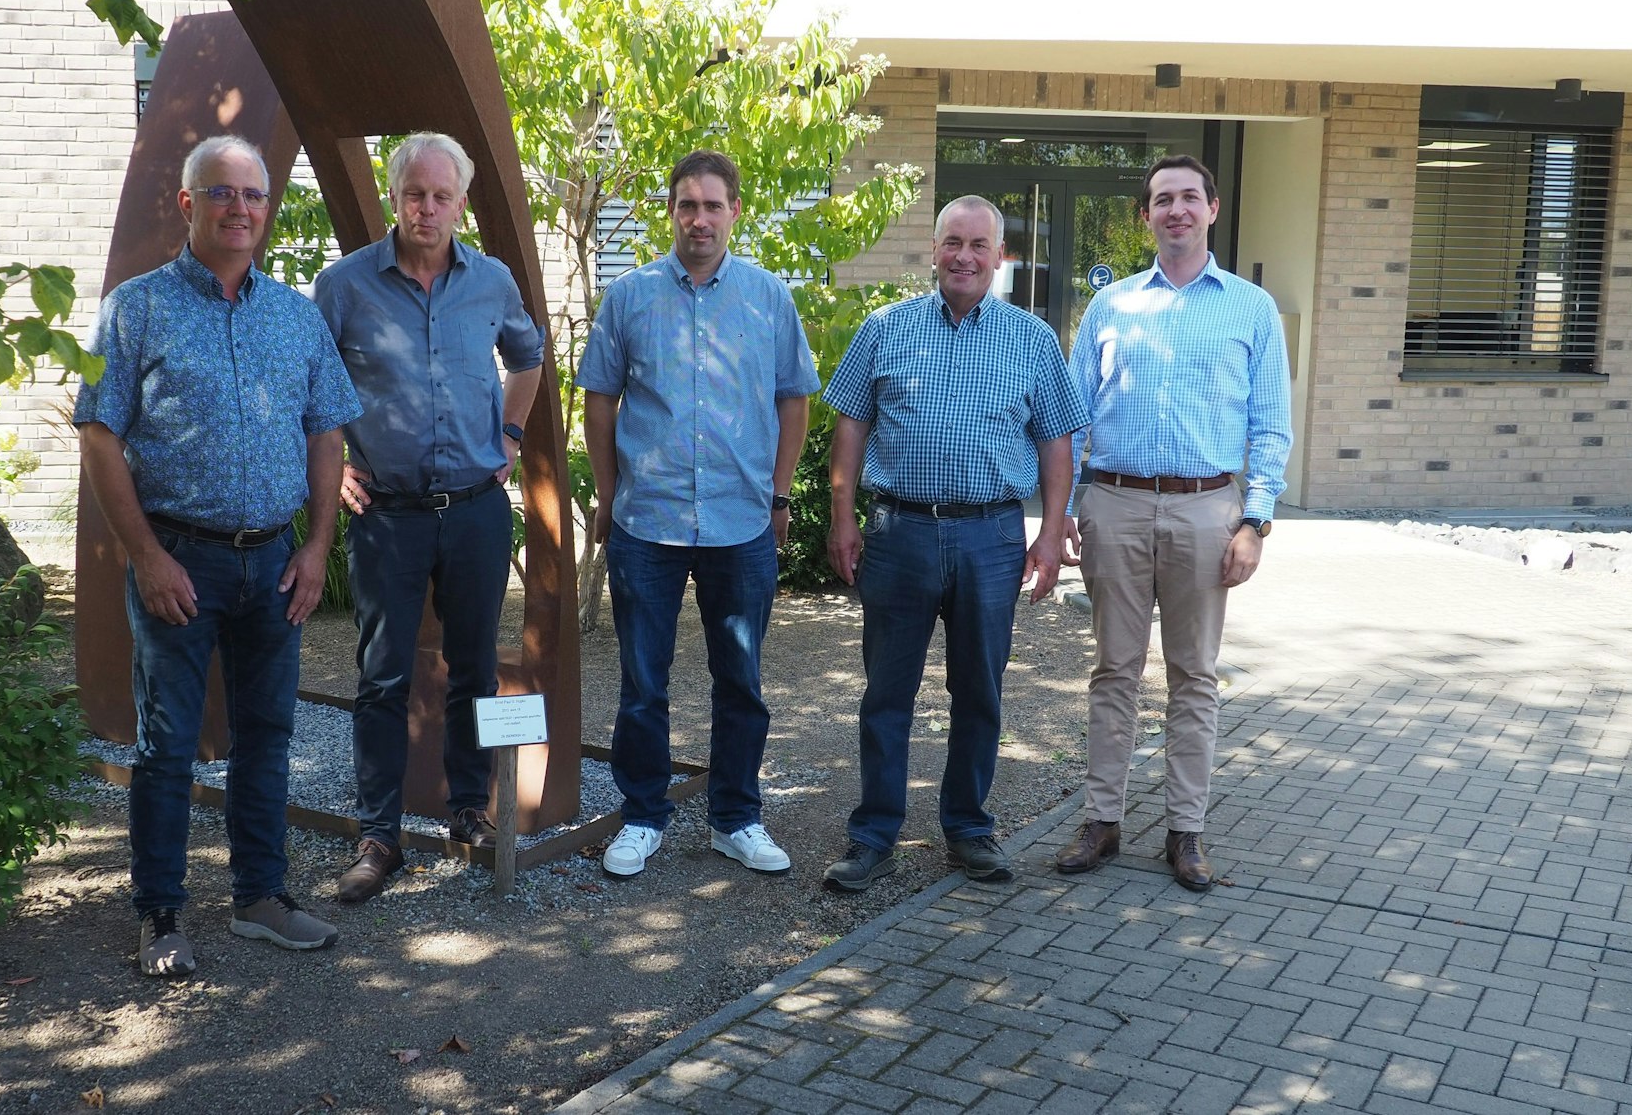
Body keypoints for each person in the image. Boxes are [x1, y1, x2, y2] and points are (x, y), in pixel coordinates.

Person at [77, 134, 361, 976]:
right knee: (168, 743)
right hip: (180, 561)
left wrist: (317, 546)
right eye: (224, 193)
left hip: (275, 561)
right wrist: (145, 556)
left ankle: (260, 898)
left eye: (255, 195)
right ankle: (160, 912)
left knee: (269, 734)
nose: (241, 208)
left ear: (267, 207)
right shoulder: (137, 309)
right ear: (187, 203)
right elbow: (100, 437)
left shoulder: (295, 314)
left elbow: (326, 430)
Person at [819, 195, 1088, 893]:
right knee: (886, 691)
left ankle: (968, 826)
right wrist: (841, 516)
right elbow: (849, 425)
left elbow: (1057, 440)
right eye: (952, 243)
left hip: (991, 536)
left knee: (979, 690)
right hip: (898, 530)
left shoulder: (1033, 341)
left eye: (978, 245)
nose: (964, 256)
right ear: (933, 249)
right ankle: (873, 831)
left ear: (1000, 257)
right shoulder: (886, 328)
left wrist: (1052, 532)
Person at [313, 132, 545, 904]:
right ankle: (378, 835)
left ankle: (469, 812)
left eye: (442, 195)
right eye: (415, 193)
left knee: (474, 667)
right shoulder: (345, 286)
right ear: (394, 196)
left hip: (476, 511)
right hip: (388, 515)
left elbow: (529, 357)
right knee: (382, 676)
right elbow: (311, 386)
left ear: (462, 203)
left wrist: (510, 436)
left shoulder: (492, 282)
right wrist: (336, 461)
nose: (427, 208)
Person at [578, 149, 818, 879]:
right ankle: (643, 815)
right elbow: (599, 399)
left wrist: (778, 497)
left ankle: (736, 817)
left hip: (739, 522)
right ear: (672, 211)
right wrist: (611, 492)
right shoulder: (631, 297)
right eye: (688, 205)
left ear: (735, 211)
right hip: (646, 522)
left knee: (740, 679)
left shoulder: (768, 297)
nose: (700, 218)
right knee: (643, 681)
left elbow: (794, 399)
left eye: (714, 205)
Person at [1056, 154, 1292, 892]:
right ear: (1146, 215)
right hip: (1115, 503)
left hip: (1206, 509)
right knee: (1113, 671)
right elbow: (1069, 418)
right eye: (1163, 199)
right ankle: (1103, 819)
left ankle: (1186, 831)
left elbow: (1270, 426)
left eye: (1190, 197)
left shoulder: (1251, 309)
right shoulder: (1111, 307)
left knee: (1194, 675)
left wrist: (1255, 521)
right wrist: (1062, 511)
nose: (1177, 209)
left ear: (1213, 209)